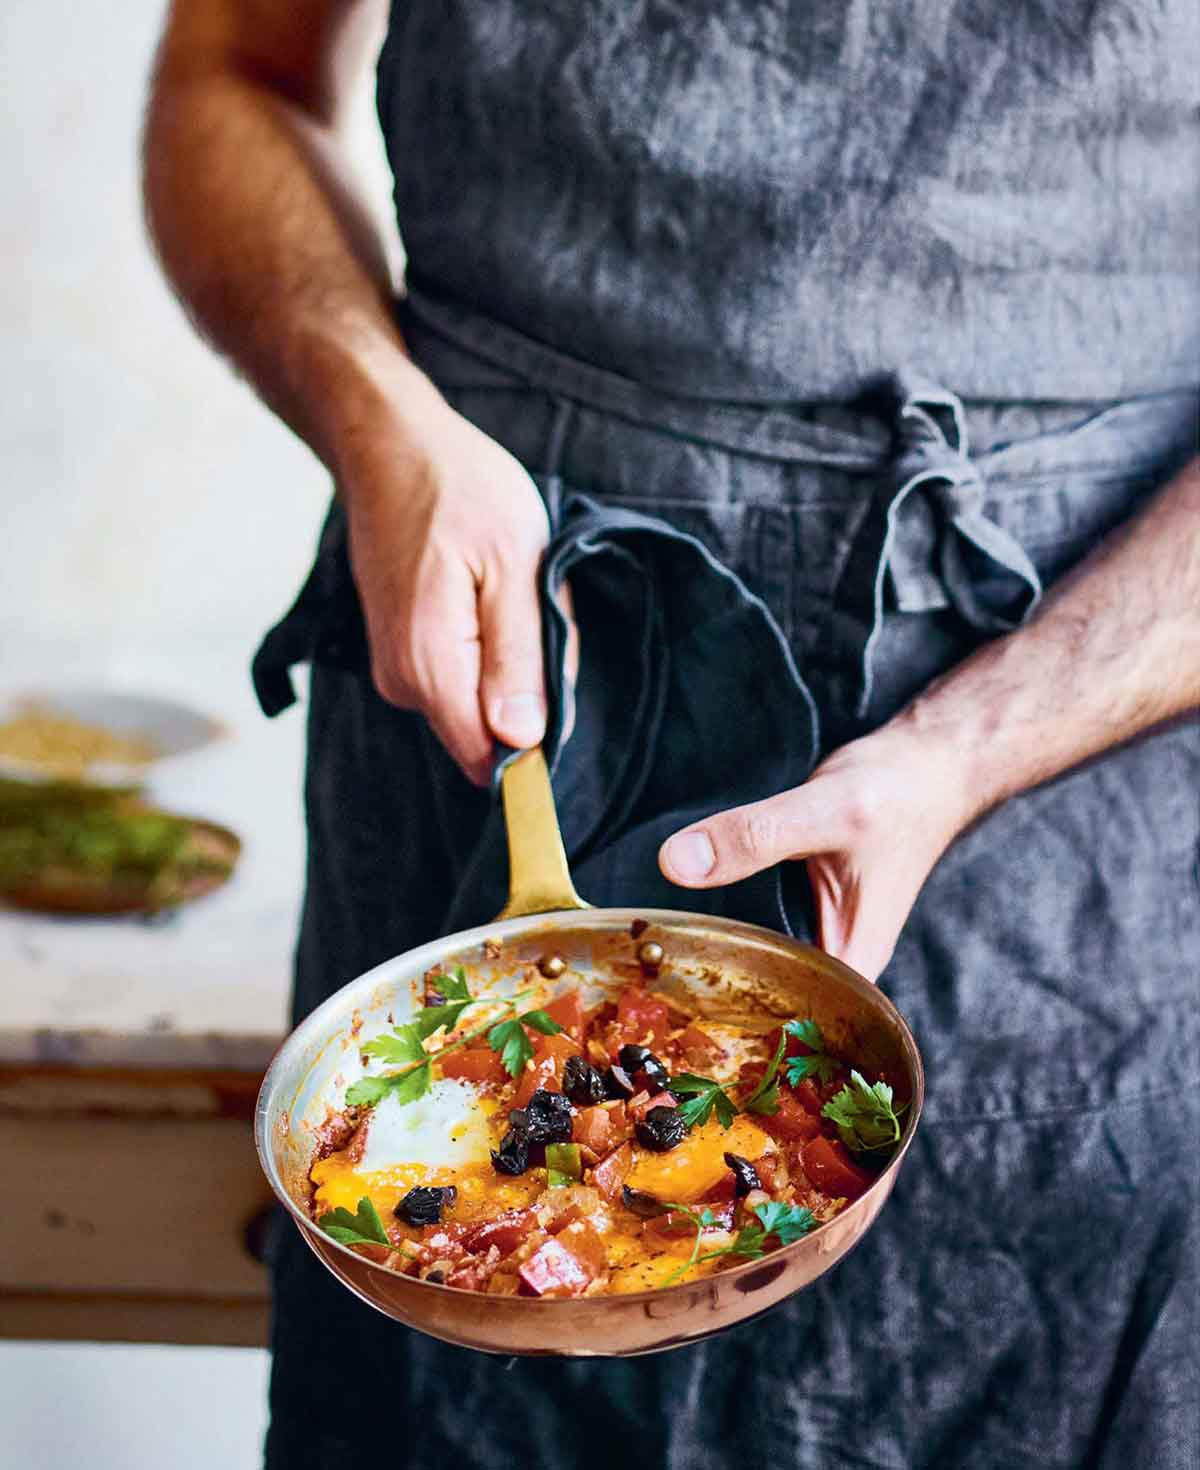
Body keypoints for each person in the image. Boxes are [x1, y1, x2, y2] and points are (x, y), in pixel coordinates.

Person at [143, 1, 1199, 1465]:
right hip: (488, 683)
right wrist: (376, 407)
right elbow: (232, 81)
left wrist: (975, 745)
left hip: (1077, 789)